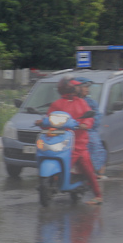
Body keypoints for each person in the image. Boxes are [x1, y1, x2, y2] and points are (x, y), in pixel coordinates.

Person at [36, 76, 102, 205]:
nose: (78, 88)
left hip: (79, 143)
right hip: (62, 141)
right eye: (76, 86)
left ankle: (98, 195)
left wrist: (85, 124)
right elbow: (49, 118)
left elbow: (89, 117)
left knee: (88, 168)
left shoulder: (82, 103)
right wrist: (42, 122)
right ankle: (52, 182)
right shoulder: (57, 104)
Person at [73, 77, 107, 179]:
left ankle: (98, 173)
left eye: (88, 87)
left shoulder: (91, 102)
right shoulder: (70, 101)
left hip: (88, 130)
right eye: (85, 87)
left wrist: (88, 124)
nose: (87, 89)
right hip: (72, 130)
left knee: (96, 145)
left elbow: (96, 116)